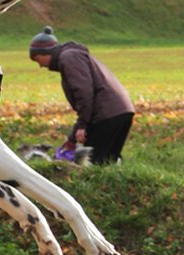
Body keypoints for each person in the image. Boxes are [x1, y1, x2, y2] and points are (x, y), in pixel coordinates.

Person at [29, 26, 135, 165]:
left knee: (93, 164)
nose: (40, 66)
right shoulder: (72, 56)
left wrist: (82, 126)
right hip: (121, 110)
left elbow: (84, 93)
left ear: (45, 53)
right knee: (109, 161)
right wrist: (72, 139)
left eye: (37, 60)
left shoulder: (69, 58)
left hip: (107, 114)